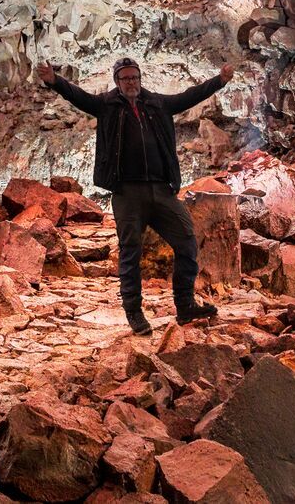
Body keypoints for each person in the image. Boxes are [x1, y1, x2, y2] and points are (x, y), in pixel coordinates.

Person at [36, 56, 234, 336]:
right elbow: (77, 96)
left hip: (161, 189)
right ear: (117, 81)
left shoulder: (157, 104)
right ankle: (134, 312)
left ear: (140, 79)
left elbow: (190, 96)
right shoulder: (107, 105)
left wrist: (220, 81)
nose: (131, 82)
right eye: (126, 78)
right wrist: (54, 80)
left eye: (135, 77)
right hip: (127, 192)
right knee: (130, 252)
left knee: (187, 241)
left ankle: (185, 305)